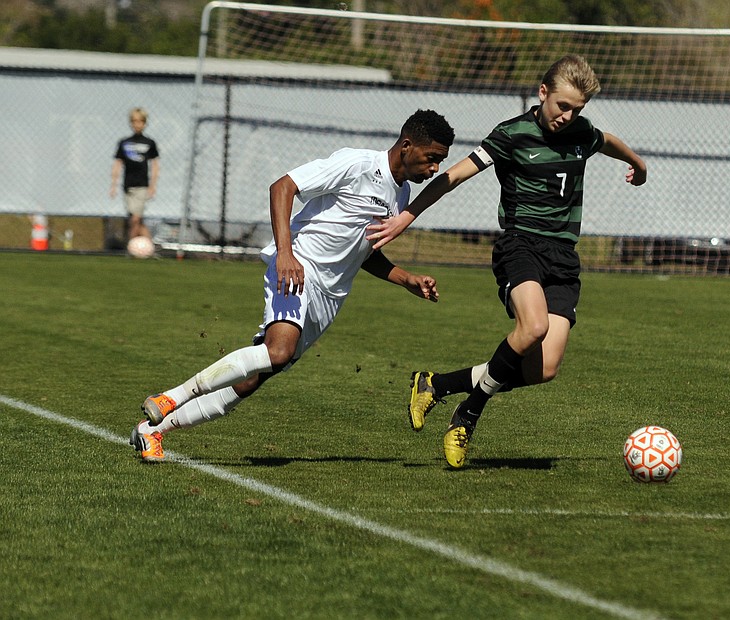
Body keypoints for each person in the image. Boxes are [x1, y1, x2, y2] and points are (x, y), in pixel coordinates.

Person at [367, 54, 647, 468]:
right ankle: (467, 415)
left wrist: (637, 164)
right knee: (532, 327)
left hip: (564, 257)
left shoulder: (582, 132)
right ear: (543, 93)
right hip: (521, 247)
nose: (568, 116)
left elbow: (606, 140)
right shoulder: (511, 135)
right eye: (562, 106)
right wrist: (406, 217)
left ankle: (436, 384)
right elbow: (454, 176)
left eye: (577, 110)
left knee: (544, 369)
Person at [130, 109, 455, 462]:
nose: (434, 168)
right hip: (298, 269)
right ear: (407, 146)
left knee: (253, 379)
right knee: (278, 351)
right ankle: (171, 397)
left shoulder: (401, 195)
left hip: (330, 297)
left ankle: (152, 431)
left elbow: (363, 250)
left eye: (439, 162)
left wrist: (406, 278)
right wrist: (286, 253)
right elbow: (283, 187)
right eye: (432, 158)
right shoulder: (357, 165)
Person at [110, 107, 160, 241]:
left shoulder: (149, 143)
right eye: (134, 121)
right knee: (136, 220)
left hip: (142, 185)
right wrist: (113, 185)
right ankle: (149, 247)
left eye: (140, 121)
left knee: (135, 219)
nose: (137, 124)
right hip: (128, 185)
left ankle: (130, 248)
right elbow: (117, 164)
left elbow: (155, 165)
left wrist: (153, 186)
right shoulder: (124, 143)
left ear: (144, 123)